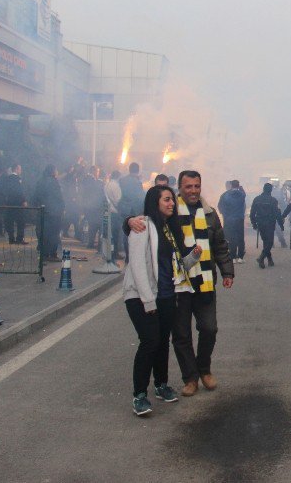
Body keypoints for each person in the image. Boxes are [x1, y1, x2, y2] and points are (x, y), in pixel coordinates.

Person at [126, 170, 234, 396]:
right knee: (181, 335)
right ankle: (190, 377)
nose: (193, 191)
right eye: (188, 187)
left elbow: (220, 246)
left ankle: (204, 369)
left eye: (197, 186)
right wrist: (128, 221)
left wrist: (227, 271)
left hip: (204, 283)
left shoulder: (211, 214)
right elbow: (146, 221)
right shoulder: (171, 215)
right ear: (180, 189)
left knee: (209, 328)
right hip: (180, 287)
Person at [123, 185, 202, 416]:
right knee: (149, 341)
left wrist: (193, 257)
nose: (171, 204)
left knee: (162, 342)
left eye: (172, 201)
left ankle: (161, 384)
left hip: (167, 295)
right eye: (166, 200)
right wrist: (148, 301)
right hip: (141, 296)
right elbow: (137, 266)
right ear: (154, 202)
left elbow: (178, 267)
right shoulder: (142, 225)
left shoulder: (171, 229)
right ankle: (139, 395)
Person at [32, 164, 65, 261]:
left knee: (44, 233)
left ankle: (45, 254)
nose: (57, 172)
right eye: (56, 170)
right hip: (54, 212)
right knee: (54, 233)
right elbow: (59, 197)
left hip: (43, 211)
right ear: (53, 171)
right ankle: (52, 254)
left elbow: (35, 196)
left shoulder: (40, 181)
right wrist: (62, 207)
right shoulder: (54, 182)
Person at [250, 182, 282, 269]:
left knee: (265, 241)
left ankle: (269, 260)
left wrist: (254, 223)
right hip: (270, 224)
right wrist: (281, 224)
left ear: (263, 189)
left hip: (260, 223)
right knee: (269, 242)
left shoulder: (257, 199)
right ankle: (261, 258)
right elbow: (277, 213)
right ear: (271, 190)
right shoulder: (273, 200)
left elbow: (252, 213)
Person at [217, 180, 246, 263]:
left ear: (231, 185)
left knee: (232, 238)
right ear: (238, 185)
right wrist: (241, 188)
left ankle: (232, 257)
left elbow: (220, 206)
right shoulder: (241, 195)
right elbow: (244, 194)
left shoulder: (225, 195)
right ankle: (240, 257)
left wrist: (225, 215)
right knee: (240, 238)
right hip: (239, 219)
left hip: (229, 220)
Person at [2, 164, 28, 244]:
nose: (21, 171)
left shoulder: (7, 179)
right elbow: (20, 191)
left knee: (10, 221)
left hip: (9, 203)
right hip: (18, 203)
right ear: (16, 169)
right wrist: (24, 200)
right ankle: (20, 239)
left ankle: (11, 238)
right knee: (20, 222)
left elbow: (4, 190)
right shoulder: (18, 179)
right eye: (20, 169)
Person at [105, 170, 124, 259]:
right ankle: (115, 253)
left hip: (109, 211)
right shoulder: (115, 186)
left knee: (110, 234)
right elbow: (118, 200)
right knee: (116, 234)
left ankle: (109, 252)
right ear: (118, 177)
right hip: (115, 212)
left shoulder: (107, 184)